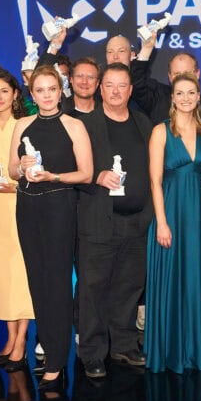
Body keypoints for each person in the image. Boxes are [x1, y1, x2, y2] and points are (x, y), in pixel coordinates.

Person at [9, 66, 94, 393]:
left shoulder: (74, 125)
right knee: (37, 281)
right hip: (27, 207)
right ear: (32, 94)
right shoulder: (22, 125)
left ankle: (56, 361)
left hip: (59, 207)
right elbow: (12, 169)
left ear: (61, 91)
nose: (46, 95)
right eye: (39, 90)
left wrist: (54, 176)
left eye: (51, 89)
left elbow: (86, 174)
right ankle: (47, 348)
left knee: (58, 282)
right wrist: (23, 167)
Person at [75, 63, 154, 378]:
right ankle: (92, 353)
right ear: (100, 88)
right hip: (99, 221)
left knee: (129, 287)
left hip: (137, 222)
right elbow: (72, 171)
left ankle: (123, 344)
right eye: (110, 85)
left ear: (130, 90)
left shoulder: (143, 123)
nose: (117, 91)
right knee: (93, 289)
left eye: (123, 85)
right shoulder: (84, 125)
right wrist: (97, 176)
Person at [145, 71, 201, 372]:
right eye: (180, 93)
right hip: (172, 211)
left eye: (191, 92)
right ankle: (171, 351)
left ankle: (198, 349)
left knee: (197, 279)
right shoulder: (160, 132)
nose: (186, 98)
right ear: (172, 98)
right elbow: (155, 180)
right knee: (173, 278)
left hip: (200, 213)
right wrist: (162, 222)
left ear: (198, 96)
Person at [0, 67, 35, 371]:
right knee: (0, 273)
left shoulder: (25, 125)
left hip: (18, 205)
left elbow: (33, 168)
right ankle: (10, 337)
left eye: (4, 91)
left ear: (15, 94)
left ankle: (22, 339)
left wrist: (15, 185)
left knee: (20, 273)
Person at [130, 32, 201, 124]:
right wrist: (146, 49)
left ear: (197, 74)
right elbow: (136, 82)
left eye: (187, 73)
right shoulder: (157, 97)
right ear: (170, 77)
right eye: (177, 74)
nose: (182, 78)